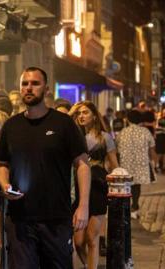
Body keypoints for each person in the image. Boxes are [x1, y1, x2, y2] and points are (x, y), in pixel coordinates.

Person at [0, 67, 91, 268]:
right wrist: (4, 185)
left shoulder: (63, 123)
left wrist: (83, 205)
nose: (29, 88)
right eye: (25, 84)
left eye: (35, 83)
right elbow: (0, 163)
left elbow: (82, 164)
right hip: (20, 218)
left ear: (46, 89)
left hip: (56, 218)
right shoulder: (11, 126)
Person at [69, 101, 119, 269]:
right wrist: (72, 112)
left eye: (85, 112)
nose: (81, 116)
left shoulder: (104, 137)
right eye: (79, 113)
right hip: (77, 188)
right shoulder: (73, 135)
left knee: (92, 238)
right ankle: (86, 265)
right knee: (78, 241)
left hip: (98, 187)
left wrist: (115, 182)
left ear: (94, 116)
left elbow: (114, 164)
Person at [116, 110, 157, 219]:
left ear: (128, 119)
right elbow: (152, 147)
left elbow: (117, 149)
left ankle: (128, 207)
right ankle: (135, 206)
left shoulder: (123, 132)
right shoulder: (145, 131)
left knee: (126, 186)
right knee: (137, 186)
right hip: (141, 163)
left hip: (125, 163)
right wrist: (154, 162)